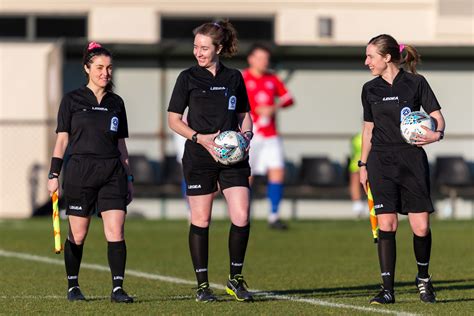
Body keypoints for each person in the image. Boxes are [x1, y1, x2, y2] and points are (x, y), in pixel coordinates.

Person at [167, 20, 254, 302]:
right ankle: (203, 286)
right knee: (201, 219)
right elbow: (173, 120)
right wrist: (199, 138)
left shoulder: (234, 78)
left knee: (241, 216)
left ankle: (235, 279)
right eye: (195, 47)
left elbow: (244, 115)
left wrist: (247, 136)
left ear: (219, 48)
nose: (198, 53)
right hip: (199, 156)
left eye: (204, 48)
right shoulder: (187, 78)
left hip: (233, 159)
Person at [360, 34, 445, 304]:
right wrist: (362, 164)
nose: (366, 62)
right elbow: (368, 129)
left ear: (387, 58)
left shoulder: (416, 83)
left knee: (420, 227)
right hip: (380, 162)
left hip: (411, 160)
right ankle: (387, 289)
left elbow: (437, 118)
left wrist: (437, 134)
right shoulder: (369, 89)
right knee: (387, 224)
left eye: (371, 56)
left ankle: (423, 279)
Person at [47, 42, 134, 303]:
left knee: (116, 231)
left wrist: (129, 178)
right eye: (99, 67)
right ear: (87, 68)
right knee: (79, 234)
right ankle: (73, 286)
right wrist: (53, 175)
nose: (105, 73)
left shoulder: (116, 102)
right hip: (80, 172)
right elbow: (62, 140)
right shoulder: (71, 100)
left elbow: (121, 145)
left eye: (108, 68)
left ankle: (118, 288)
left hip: (112, 172)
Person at [242, 44, 294, 230]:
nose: (264, 61)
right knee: (247, 175)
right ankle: (243, 214)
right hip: (249, 135)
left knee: (277, 171)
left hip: (271, 134)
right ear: (251, 59)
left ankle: (274, 216)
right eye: (260, 57)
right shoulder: (242, 78)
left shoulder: (272, 78)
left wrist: (274, 107)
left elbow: (289, 99)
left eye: (266, 58)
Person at [348, 132, 365, 218]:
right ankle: (357, 205)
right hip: (358, 164)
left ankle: (358, 205)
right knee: (355, 179)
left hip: (364, 164)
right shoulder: (358, 137)